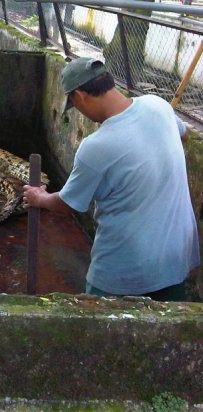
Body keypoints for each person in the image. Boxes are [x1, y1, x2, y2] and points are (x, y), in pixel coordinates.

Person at [23, 57, 200, 301]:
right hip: (175, 258)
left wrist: (40, 198)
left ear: (80, 96)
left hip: (123, 271)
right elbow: (185, 135)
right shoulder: (158, 105)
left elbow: (68, 204)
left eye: (74, 104)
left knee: (102, 332)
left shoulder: (96, 146)